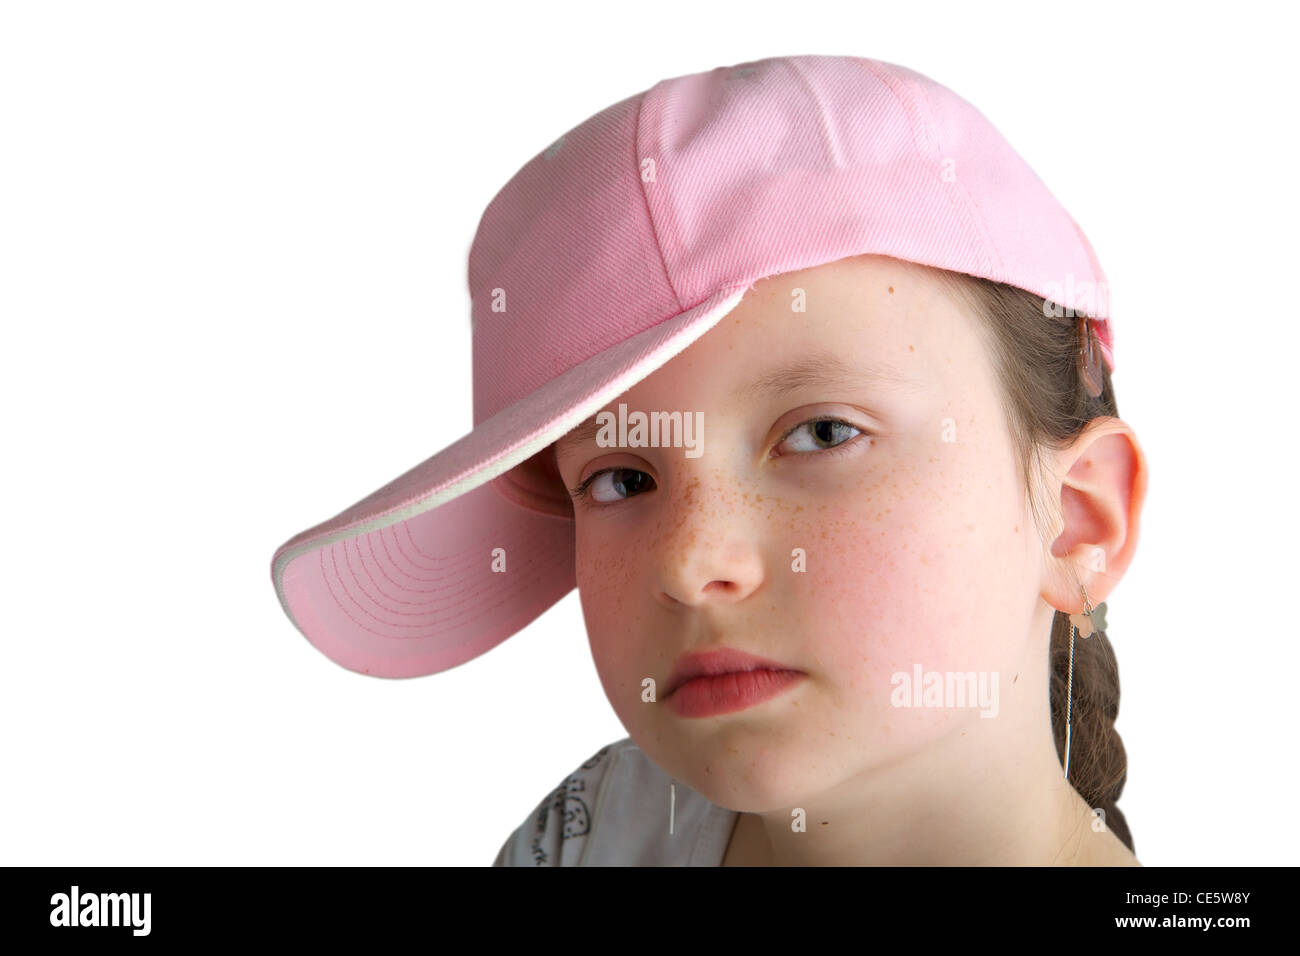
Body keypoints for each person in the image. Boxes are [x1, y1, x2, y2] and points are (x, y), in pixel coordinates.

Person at [269, 54, 1148, 866]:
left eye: (823, 433)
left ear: (1077, 519)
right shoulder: (588, 833)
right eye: (622, 478)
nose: (689, 564)